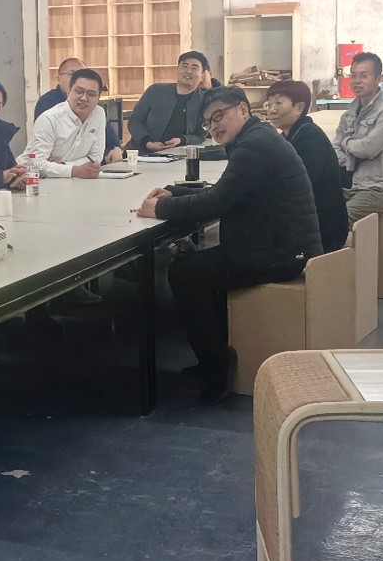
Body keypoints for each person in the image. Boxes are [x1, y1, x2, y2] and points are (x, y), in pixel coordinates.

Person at [135, 87, 322, 403]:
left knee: (184, 271)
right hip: (281, 245)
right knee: (198, 266)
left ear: (244, 110)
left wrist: (161, 208)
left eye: (219, 116)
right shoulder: (257, 138)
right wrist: (175, 193)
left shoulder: (255, 146)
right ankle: (215, 353)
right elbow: (229, 192)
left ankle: (216, 362)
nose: (214, 126)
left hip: (282, 253)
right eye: (209, 121)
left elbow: (218, 201)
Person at [265, 80, 349, 253]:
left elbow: (298, 190)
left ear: (299, 107)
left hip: (322, 233)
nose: (271, 110)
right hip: (308, 226)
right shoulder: (292, 135)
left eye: (278, 104)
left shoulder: (309, 138)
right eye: (269, 104)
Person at [333, 52, 383, 225]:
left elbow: (368, 148)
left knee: (338, 219)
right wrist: (351, 155)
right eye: (354, 76)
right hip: (350, 186)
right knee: (311, 211)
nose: (357, 81)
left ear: (378, 79)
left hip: (379, 190)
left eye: (364, 76)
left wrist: (346, 143)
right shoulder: (349, 112)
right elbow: (334, 149)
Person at [35, 57, 125, 163]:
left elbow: (105, 134)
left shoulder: (96, 110)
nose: (84, 98)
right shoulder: (48, 105)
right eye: (72, 74)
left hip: (85, 165)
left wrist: (115, 147)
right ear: (58, 78)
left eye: (91, 94)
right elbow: (47, 159)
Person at [24, 68, 107, 179]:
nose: (84, 98)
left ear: (98, 98)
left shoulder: (99, 114)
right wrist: (75, 170)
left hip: (70, 181)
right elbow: (36, 164)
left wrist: (65, 166)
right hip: (32, 182)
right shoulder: (49, 119)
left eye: (91, 94)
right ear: (69, 92)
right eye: (79, 92)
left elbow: (95, 157)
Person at [127, 51, 208, 154]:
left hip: (176, 155)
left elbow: (200, 135)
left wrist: (181, 140)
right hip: (141, 152)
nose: (188, 71)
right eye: (184, 66)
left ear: (202, 75)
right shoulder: (155, 91)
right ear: (177, 69)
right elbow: (134, 121)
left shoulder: (203, 101)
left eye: (194, 68)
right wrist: (147, 143)